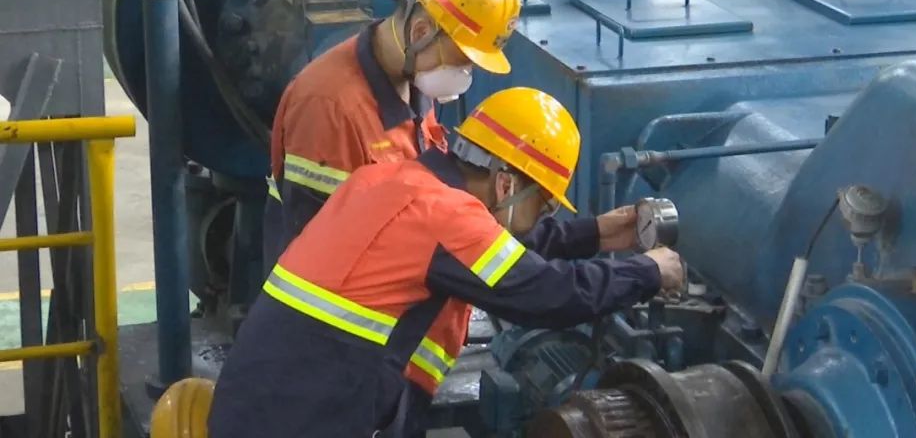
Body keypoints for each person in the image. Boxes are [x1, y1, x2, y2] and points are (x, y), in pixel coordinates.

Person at [209, 87, 685, 437]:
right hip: (301, 420)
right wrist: (648, 270)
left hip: (258, 403)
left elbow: (486, 249)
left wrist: (596, 233)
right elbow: (546, 293)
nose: (541, 218)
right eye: (543, 206)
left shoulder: (395, 182)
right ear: (505, 184)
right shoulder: (445, 217)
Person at [262, 0, 521, 273]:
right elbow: (323, 253)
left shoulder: (414, 78)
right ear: (421, 31)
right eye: (461, 60)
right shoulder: (330, 107)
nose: (464, 74)